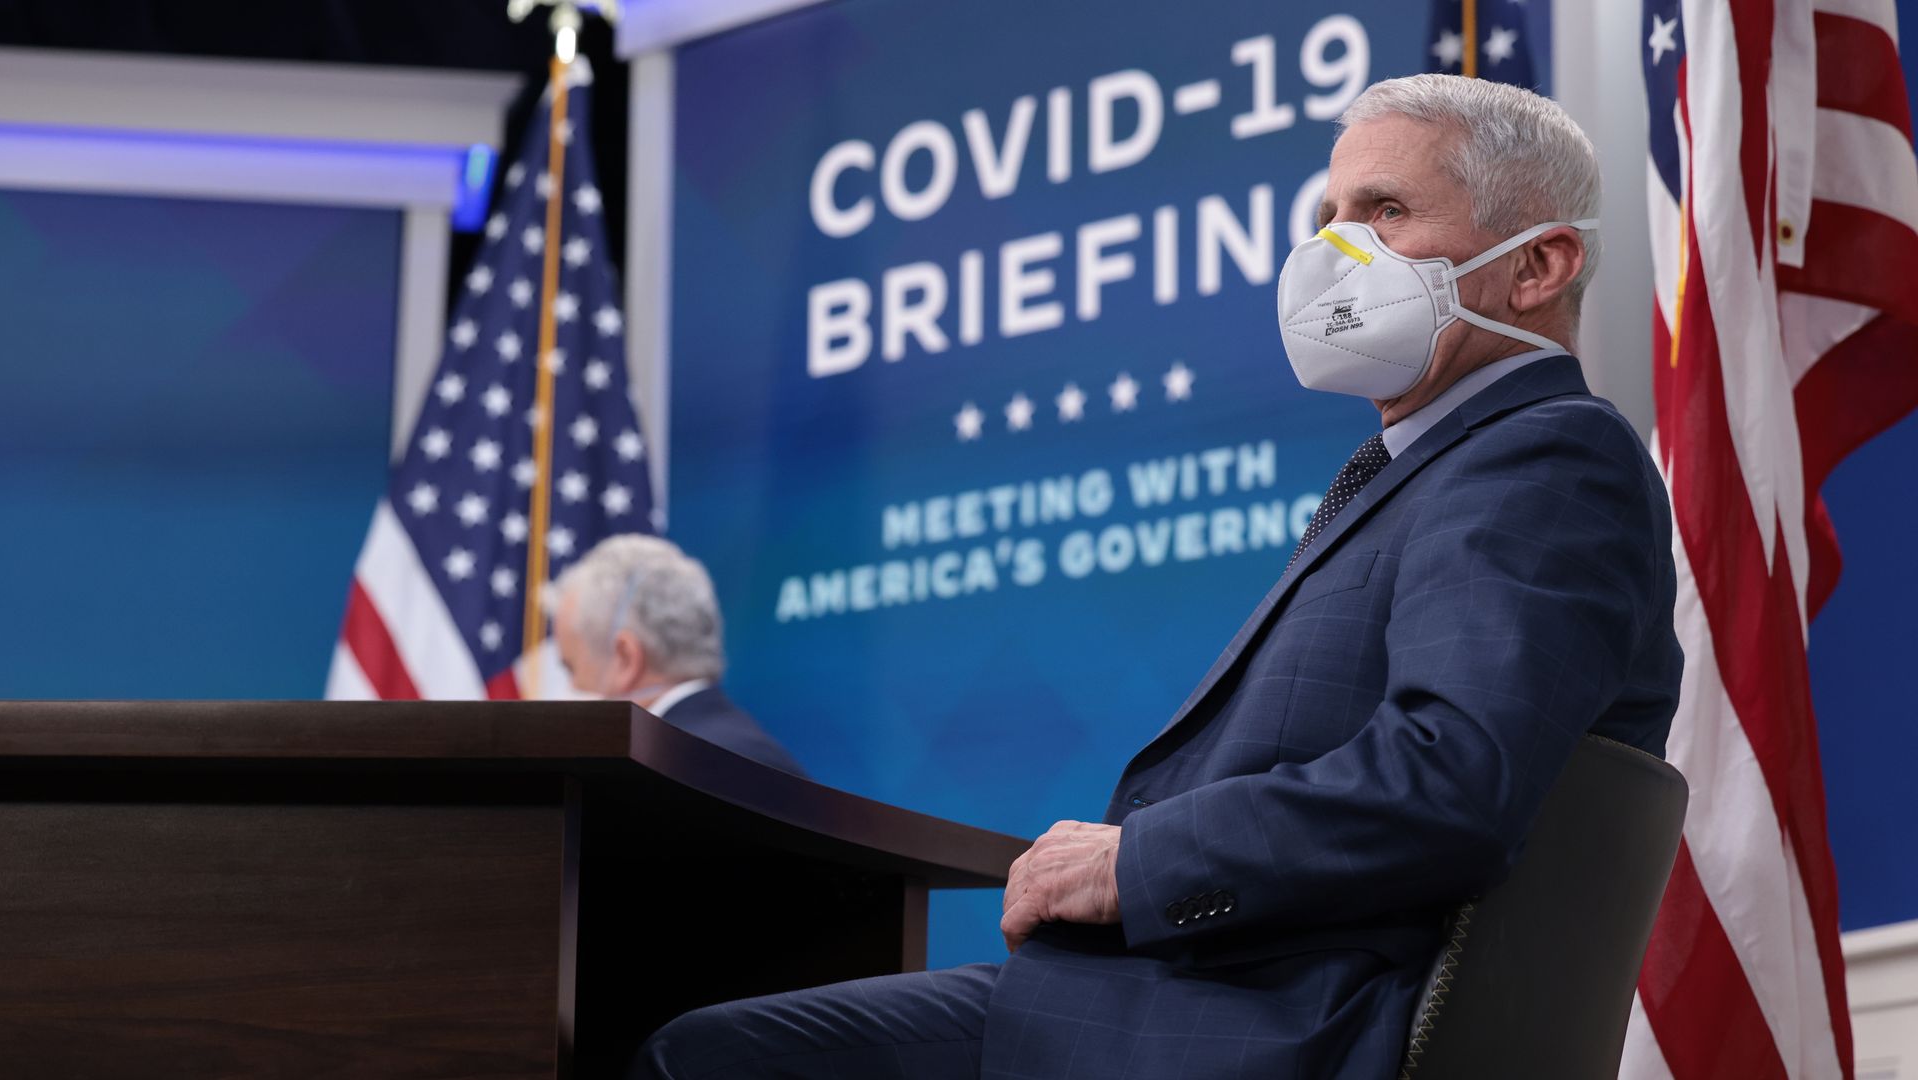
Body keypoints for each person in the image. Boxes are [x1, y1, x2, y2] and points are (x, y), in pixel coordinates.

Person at [633, 73, 1683, 1079]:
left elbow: (1448, 781)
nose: (1332, 250)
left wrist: (1130, 863)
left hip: (1269, 1027)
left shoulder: (1542, 458)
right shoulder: (1433, 470)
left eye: (1384, 210)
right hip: (1205, 1002)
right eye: (1326, 214)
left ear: (1537, 266)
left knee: (706, 1055)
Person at [550, 534, 807, 777]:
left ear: (626, 658)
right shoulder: (732, 752)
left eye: (571, 668)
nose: (570, 687)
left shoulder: (681, 770)